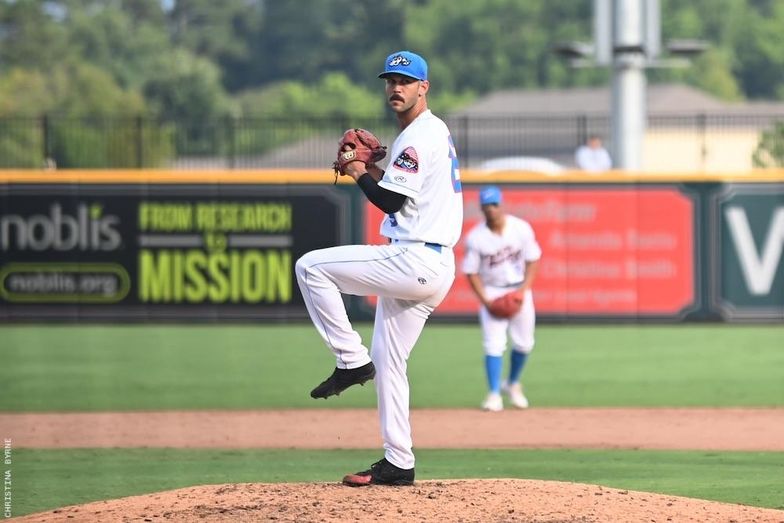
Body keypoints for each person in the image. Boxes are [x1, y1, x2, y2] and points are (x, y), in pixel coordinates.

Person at [295, 50, 463, 486]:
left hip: (414, 257)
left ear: (423, 87)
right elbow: (402, 190)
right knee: (389, 362)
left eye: (405, 81)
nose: (396, 88)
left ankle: (350, 360)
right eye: (390, 81)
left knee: (312, 267)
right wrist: (372, 168)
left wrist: (357, 170)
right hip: (434, 264)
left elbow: (391, 201)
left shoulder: (418, 136)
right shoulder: (432, 132)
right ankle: (398, 462)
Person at [462, 186, 541, 412]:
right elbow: (471, 272)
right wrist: (486, 301)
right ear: (482, 208)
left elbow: (533, 260)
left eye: (494, 204)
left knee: (525, 343)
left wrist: (523, 290)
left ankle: (512, 383)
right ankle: (494, 393)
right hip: (493, 291)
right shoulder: (476, 237)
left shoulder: (520, 228)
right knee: (493, 344)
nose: (491, 209)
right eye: (487, 206)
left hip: (519, 289)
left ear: (501, 205)